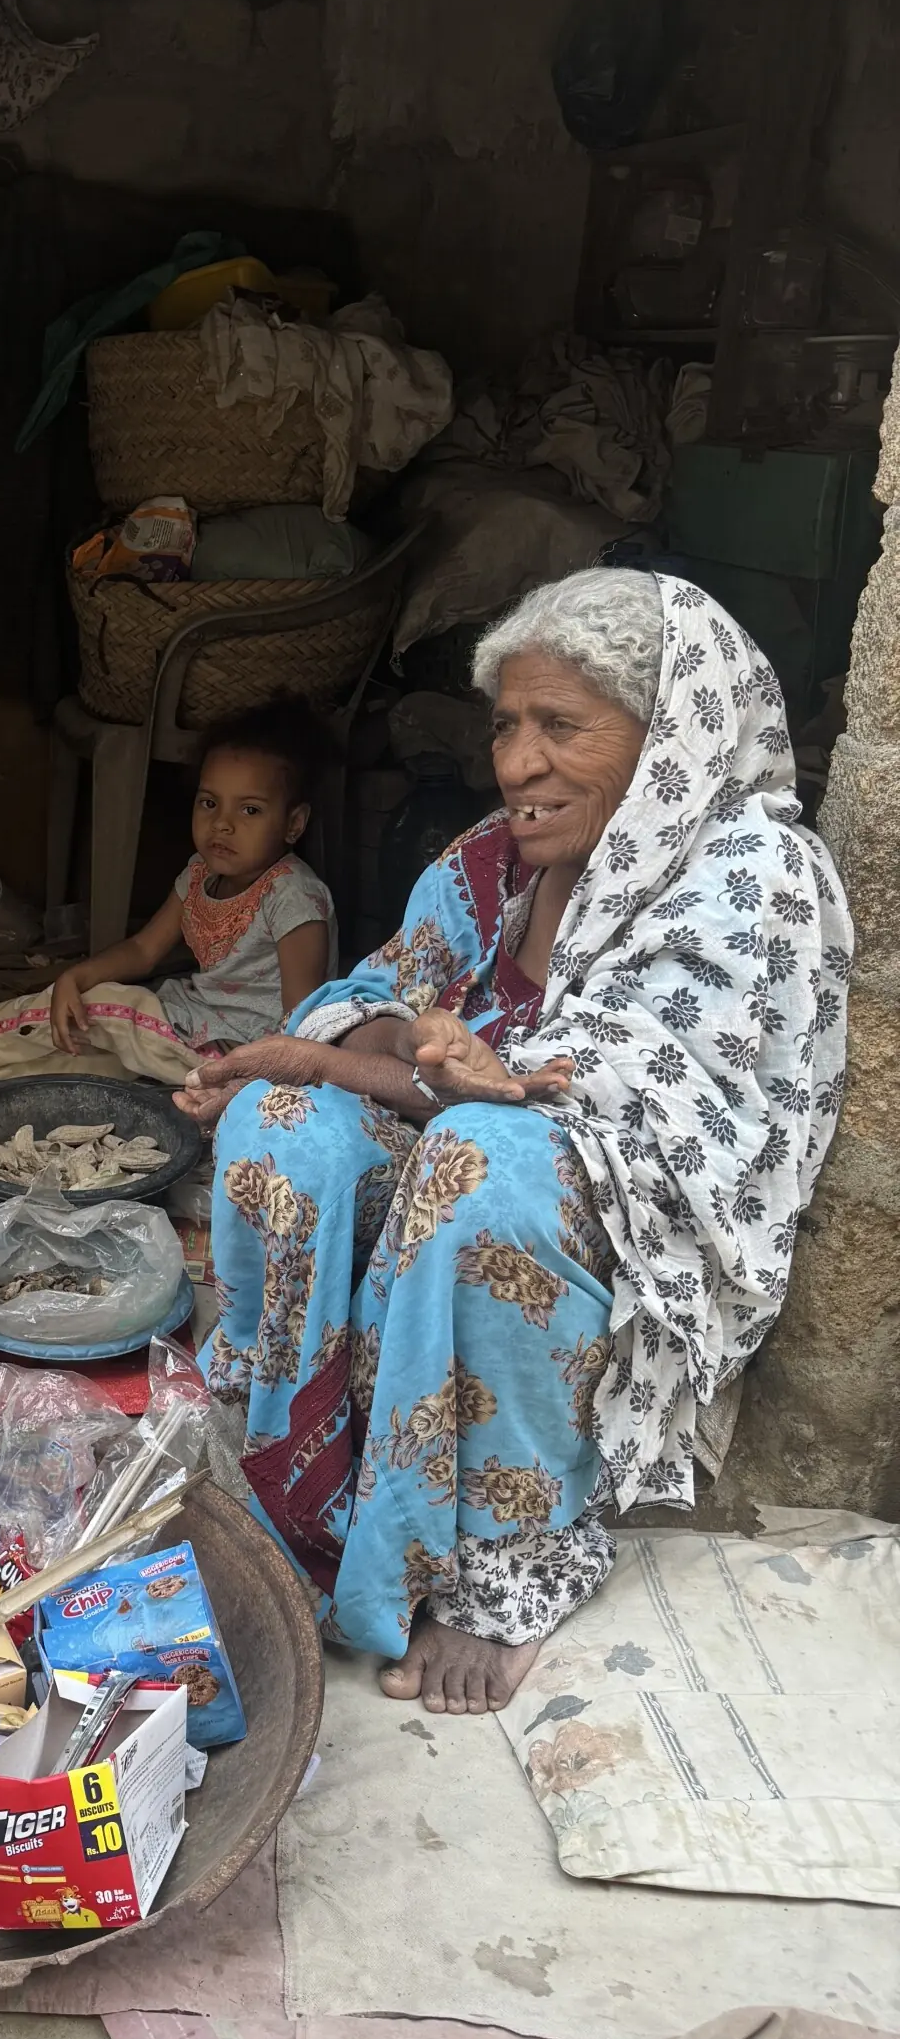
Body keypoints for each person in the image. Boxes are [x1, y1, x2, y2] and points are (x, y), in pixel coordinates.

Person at [174, 569, 851, 1715]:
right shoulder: (495, 859)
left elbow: (642, 1123)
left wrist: (402, 1071)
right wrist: (387, 1047)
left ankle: (504, 1563)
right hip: (461, 1154)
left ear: (669, 735)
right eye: (505, 725)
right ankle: (301, 1465)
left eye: (559, 727)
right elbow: (375, 989)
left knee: (481, 1162)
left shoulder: (750, 878)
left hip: (616, 1233)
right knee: (279, 1123)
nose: (517, 764)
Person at [0, 700, 338, 1086]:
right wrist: (73, 977)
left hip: (236, 1056)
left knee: (105, 1007)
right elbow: (144, 949)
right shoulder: (200, 873)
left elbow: (304, 1019)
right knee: (79, 1054)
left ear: (294, 824)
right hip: (186, 1019)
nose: (223, 823)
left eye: (250, 809)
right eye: (209, 802)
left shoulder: (293, 896)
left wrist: (256, 1088)